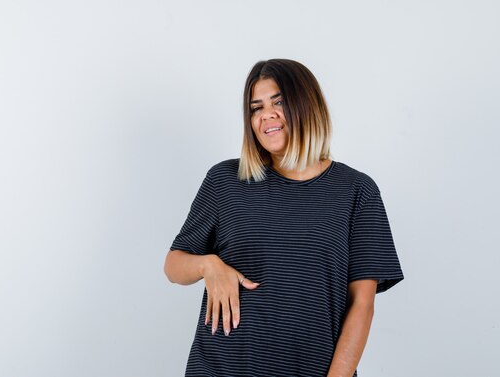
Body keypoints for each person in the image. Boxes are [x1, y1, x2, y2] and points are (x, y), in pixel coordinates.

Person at [164, 58, 404, 377]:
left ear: (308, 105)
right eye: (256, 107)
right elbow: (173, 264)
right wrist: (207, 265)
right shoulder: (225, 181)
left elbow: (362, 304)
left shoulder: (356, 191)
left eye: (279, 102)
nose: (267, 115)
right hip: (220, 367)